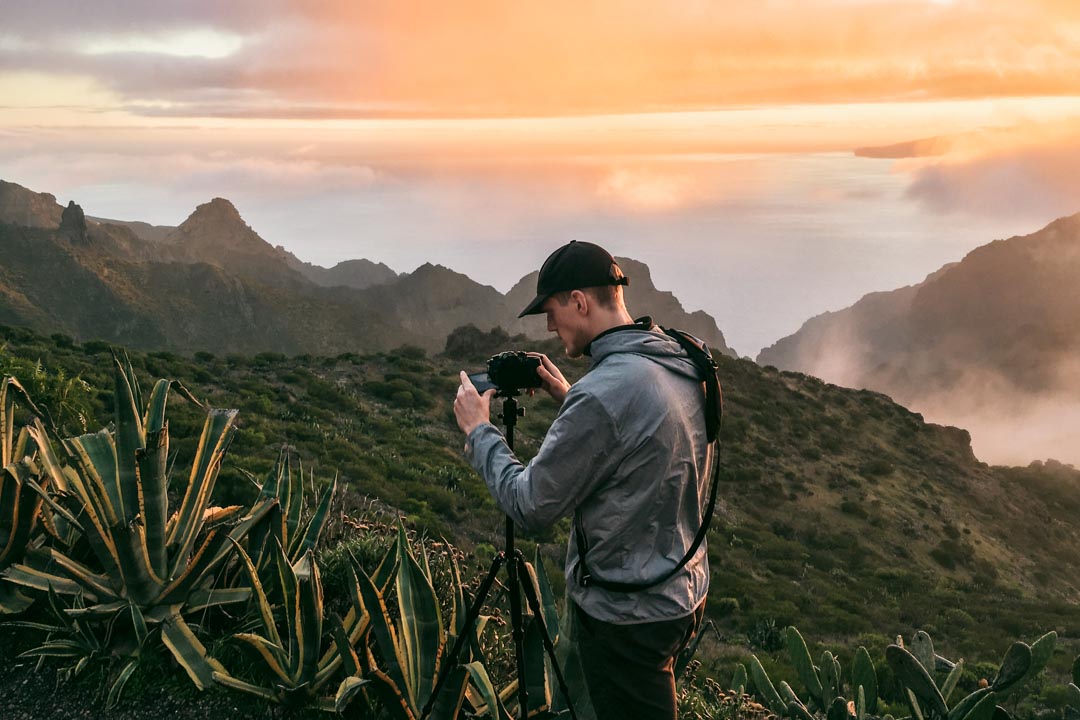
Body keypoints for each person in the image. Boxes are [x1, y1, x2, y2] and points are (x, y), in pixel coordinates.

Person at [454, 240, 711, 720]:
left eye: (551, 312)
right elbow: (644, 442)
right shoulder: (679, 357)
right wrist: (573, 400)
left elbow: (529, 505)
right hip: (682, 590)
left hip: (627, 617)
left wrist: (479, 431)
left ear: (579, 301)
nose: (550, 327)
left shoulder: (603, 396)